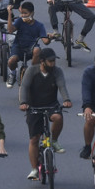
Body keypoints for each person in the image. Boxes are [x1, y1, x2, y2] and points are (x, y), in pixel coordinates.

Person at [18, 46, 73, 175]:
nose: (53, 63)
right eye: (50, 61)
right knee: (34, 139)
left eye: (54, 61)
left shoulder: (57, 71)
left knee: (58, 118)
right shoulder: (32, 71)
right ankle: (34, 169)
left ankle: (54, 141)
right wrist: (23, 103)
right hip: (33, 106)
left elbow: (62, 86)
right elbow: (24, 87)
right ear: (42, 61)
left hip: (51, 104)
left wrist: (66, 100)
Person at [6, 1, 52, 88]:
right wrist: (9, 13)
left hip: (31, 47)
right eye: (22, 13)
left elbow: (45, 41)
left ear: (32, 13)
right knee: (11, 61)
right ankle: (12, 74)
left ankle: (32, 72)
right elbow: (10, 30)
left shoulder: (39, 25)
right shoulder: (20, 21)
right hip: (18, 46)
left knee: (37, 50)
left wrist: (50, 37)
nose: (23, 15)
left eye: (25, 13)